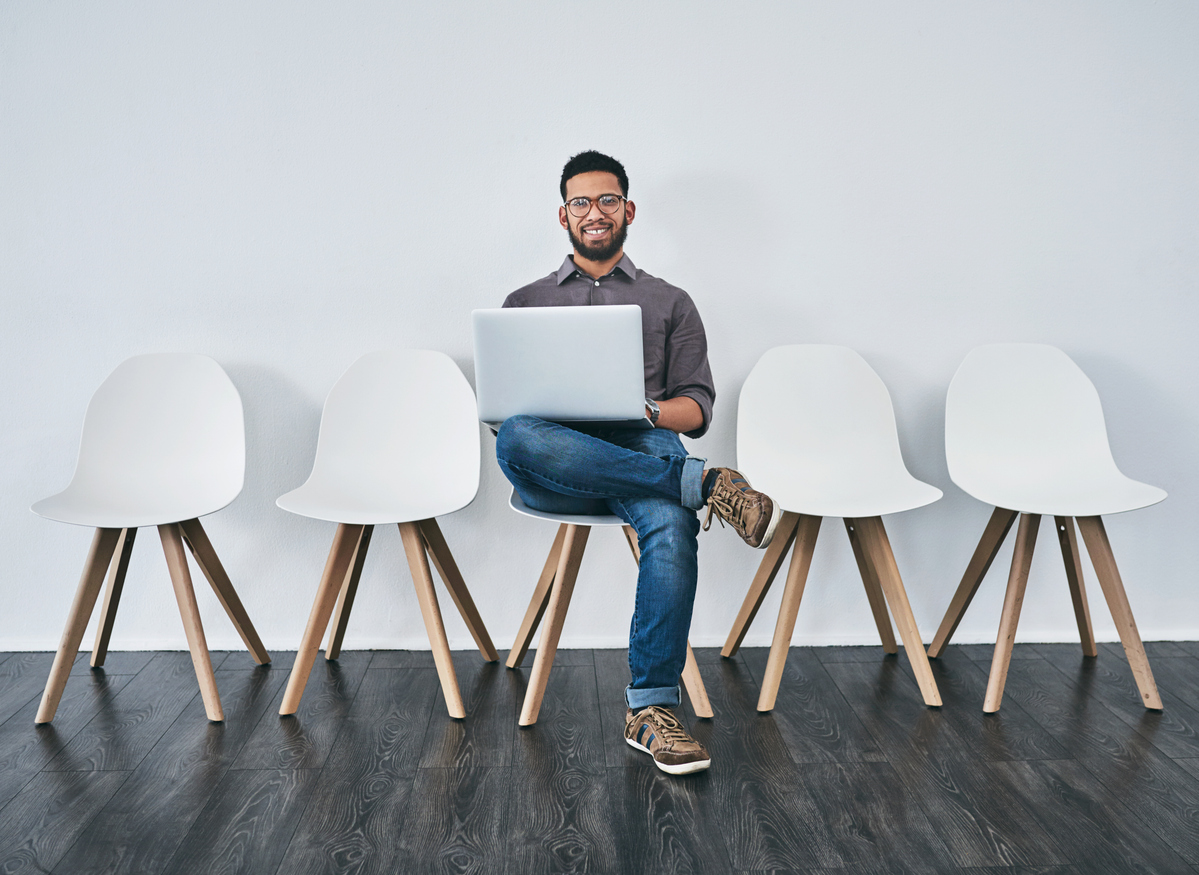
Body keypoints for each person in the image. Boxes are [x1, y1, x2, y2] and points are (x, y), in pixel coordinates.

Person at [495, 150, 780, 775]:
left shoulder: (670, 300)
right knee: (515, 435)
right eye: (580, 202)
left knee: (672, 528)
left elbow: (696, 409)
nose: (593, 213)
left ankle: (650, 709)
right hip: (554, 461)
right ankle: (704, 483)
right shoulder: (523, 302)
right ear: (562, 215)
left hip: (642, 445)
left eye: (606, 201)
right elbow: (505, 412)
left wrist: (646, 412)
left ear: (628, 210)